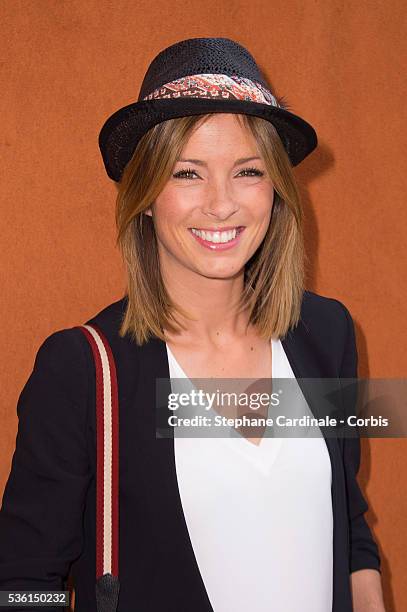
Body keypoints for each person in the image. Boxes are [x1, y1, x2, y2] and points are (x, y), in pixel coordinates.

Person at [0, 37, 385, 612]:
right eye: (187, 173)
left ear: (276, 189)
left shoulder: (326, 333)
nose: (221, 204)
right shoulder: (83, 369)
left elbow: (348, 522)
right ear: (146, 194)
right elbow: (26, 581)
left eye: (247, 171)